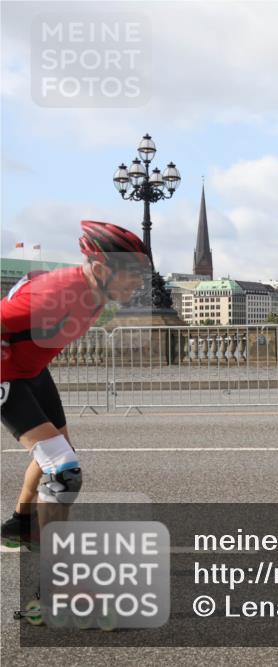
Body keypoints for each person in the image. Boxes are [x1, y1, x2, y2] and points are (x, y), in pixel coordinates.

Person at [1, 220, 149, 548]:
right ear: (99, 269)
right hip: (5, 370)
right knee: (63, 470)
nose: (139, 282)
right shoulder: (54, 294)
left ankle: (21, 523)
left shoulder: (96, 292)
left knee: (61, 455)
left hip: (31, 370)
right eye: (131, 273)